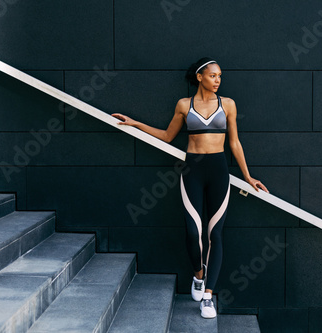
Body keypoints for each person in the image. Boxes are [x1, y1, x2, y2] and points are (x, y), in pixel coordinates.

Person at [112, 57, 268, 319]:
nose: (218, 80)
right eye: (213, 76)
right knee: (192, 233)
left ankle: (208, 296)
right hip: (192, 171)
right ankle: (198, 275)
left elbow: (235, 143)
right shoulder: (184, 105)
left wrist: (248, 176)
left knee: (215, 235)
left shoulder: (227, 104)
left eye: (220, 76)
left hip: (219, 171)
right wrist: (135, 123)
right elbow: (167, 136)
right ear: (200, 77)